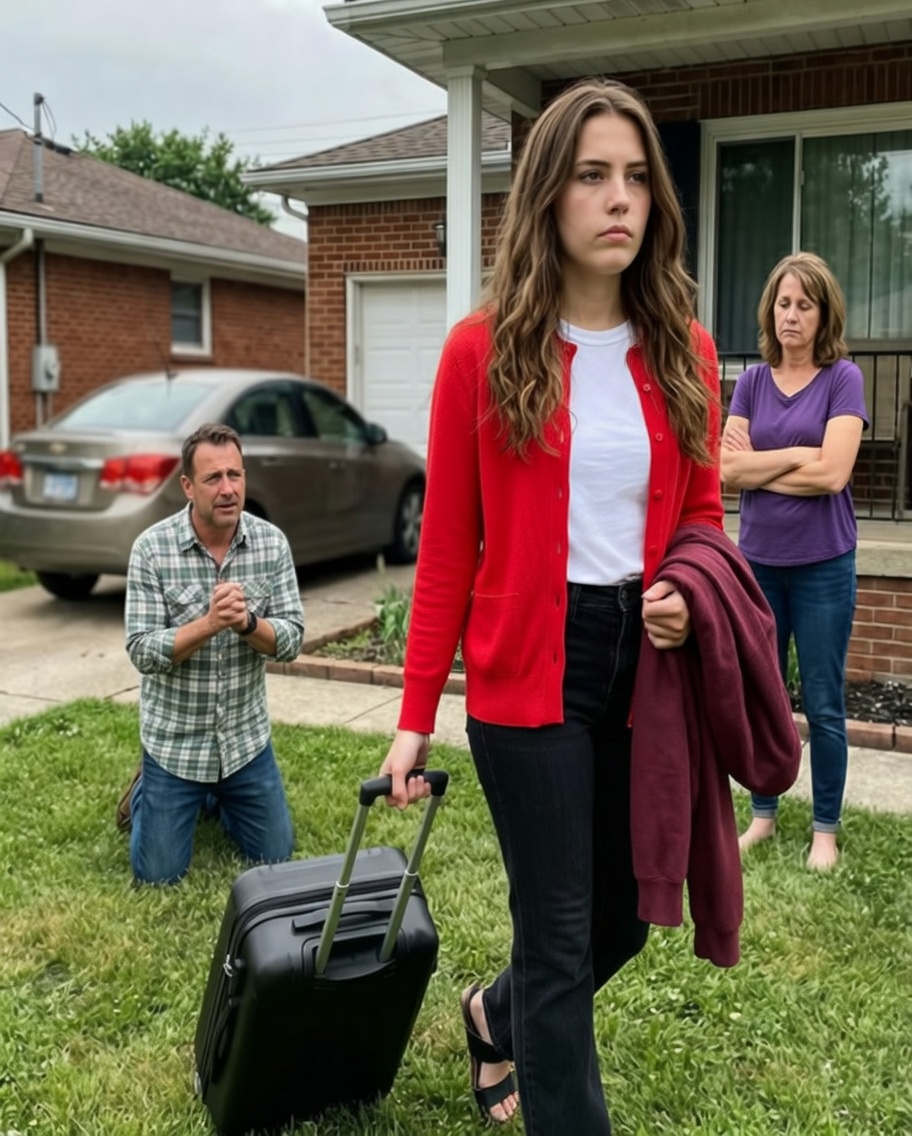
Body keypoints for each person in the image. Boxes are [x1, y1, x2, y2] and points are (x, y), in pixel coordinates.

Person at [378, 79, 725, 1135]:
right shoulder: (480, 352)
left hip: (644, 664)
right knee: (563, 934)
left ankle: (495, 1012)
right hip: (531, 671)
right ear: (546, 195)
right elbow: (447, 550)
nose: (620, 199)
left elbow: (703, 513)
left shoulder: (687, 348)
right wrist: (412, 716)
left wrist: (684, 592)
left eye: (636, 177)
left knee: (626, 917)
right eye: (592, 176)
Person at [721, 252, 868, 871]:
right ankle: (763, 814)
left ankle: (825, 829)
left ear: (823, 313)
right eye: (784, 303)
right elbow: (726, 470)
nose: (792, 315)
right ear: (770, 311)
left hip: (823, 565)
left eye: (804, 305)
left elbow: (834, 475)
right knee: (766, 695)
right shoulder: (752, 383)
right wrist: (800, 454)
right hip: (758, 564)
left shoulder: (843, 379)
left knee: (824, 703)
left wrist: (763, 464)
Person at [118, 422, 304, 885]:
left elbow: (292, 639)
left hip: (244, 744)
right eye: (213, 478)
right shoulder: (152, 550)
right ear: (188, 486)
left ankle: (216, 795)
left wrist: (247, 624)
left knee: (275, 855)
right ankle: (148, 791)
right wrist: (208, 624)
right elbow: (141, 650)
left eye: (235, 475)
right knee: (158, 874)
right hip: (175, 746)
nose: (227, 489)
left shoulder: (271, 543)